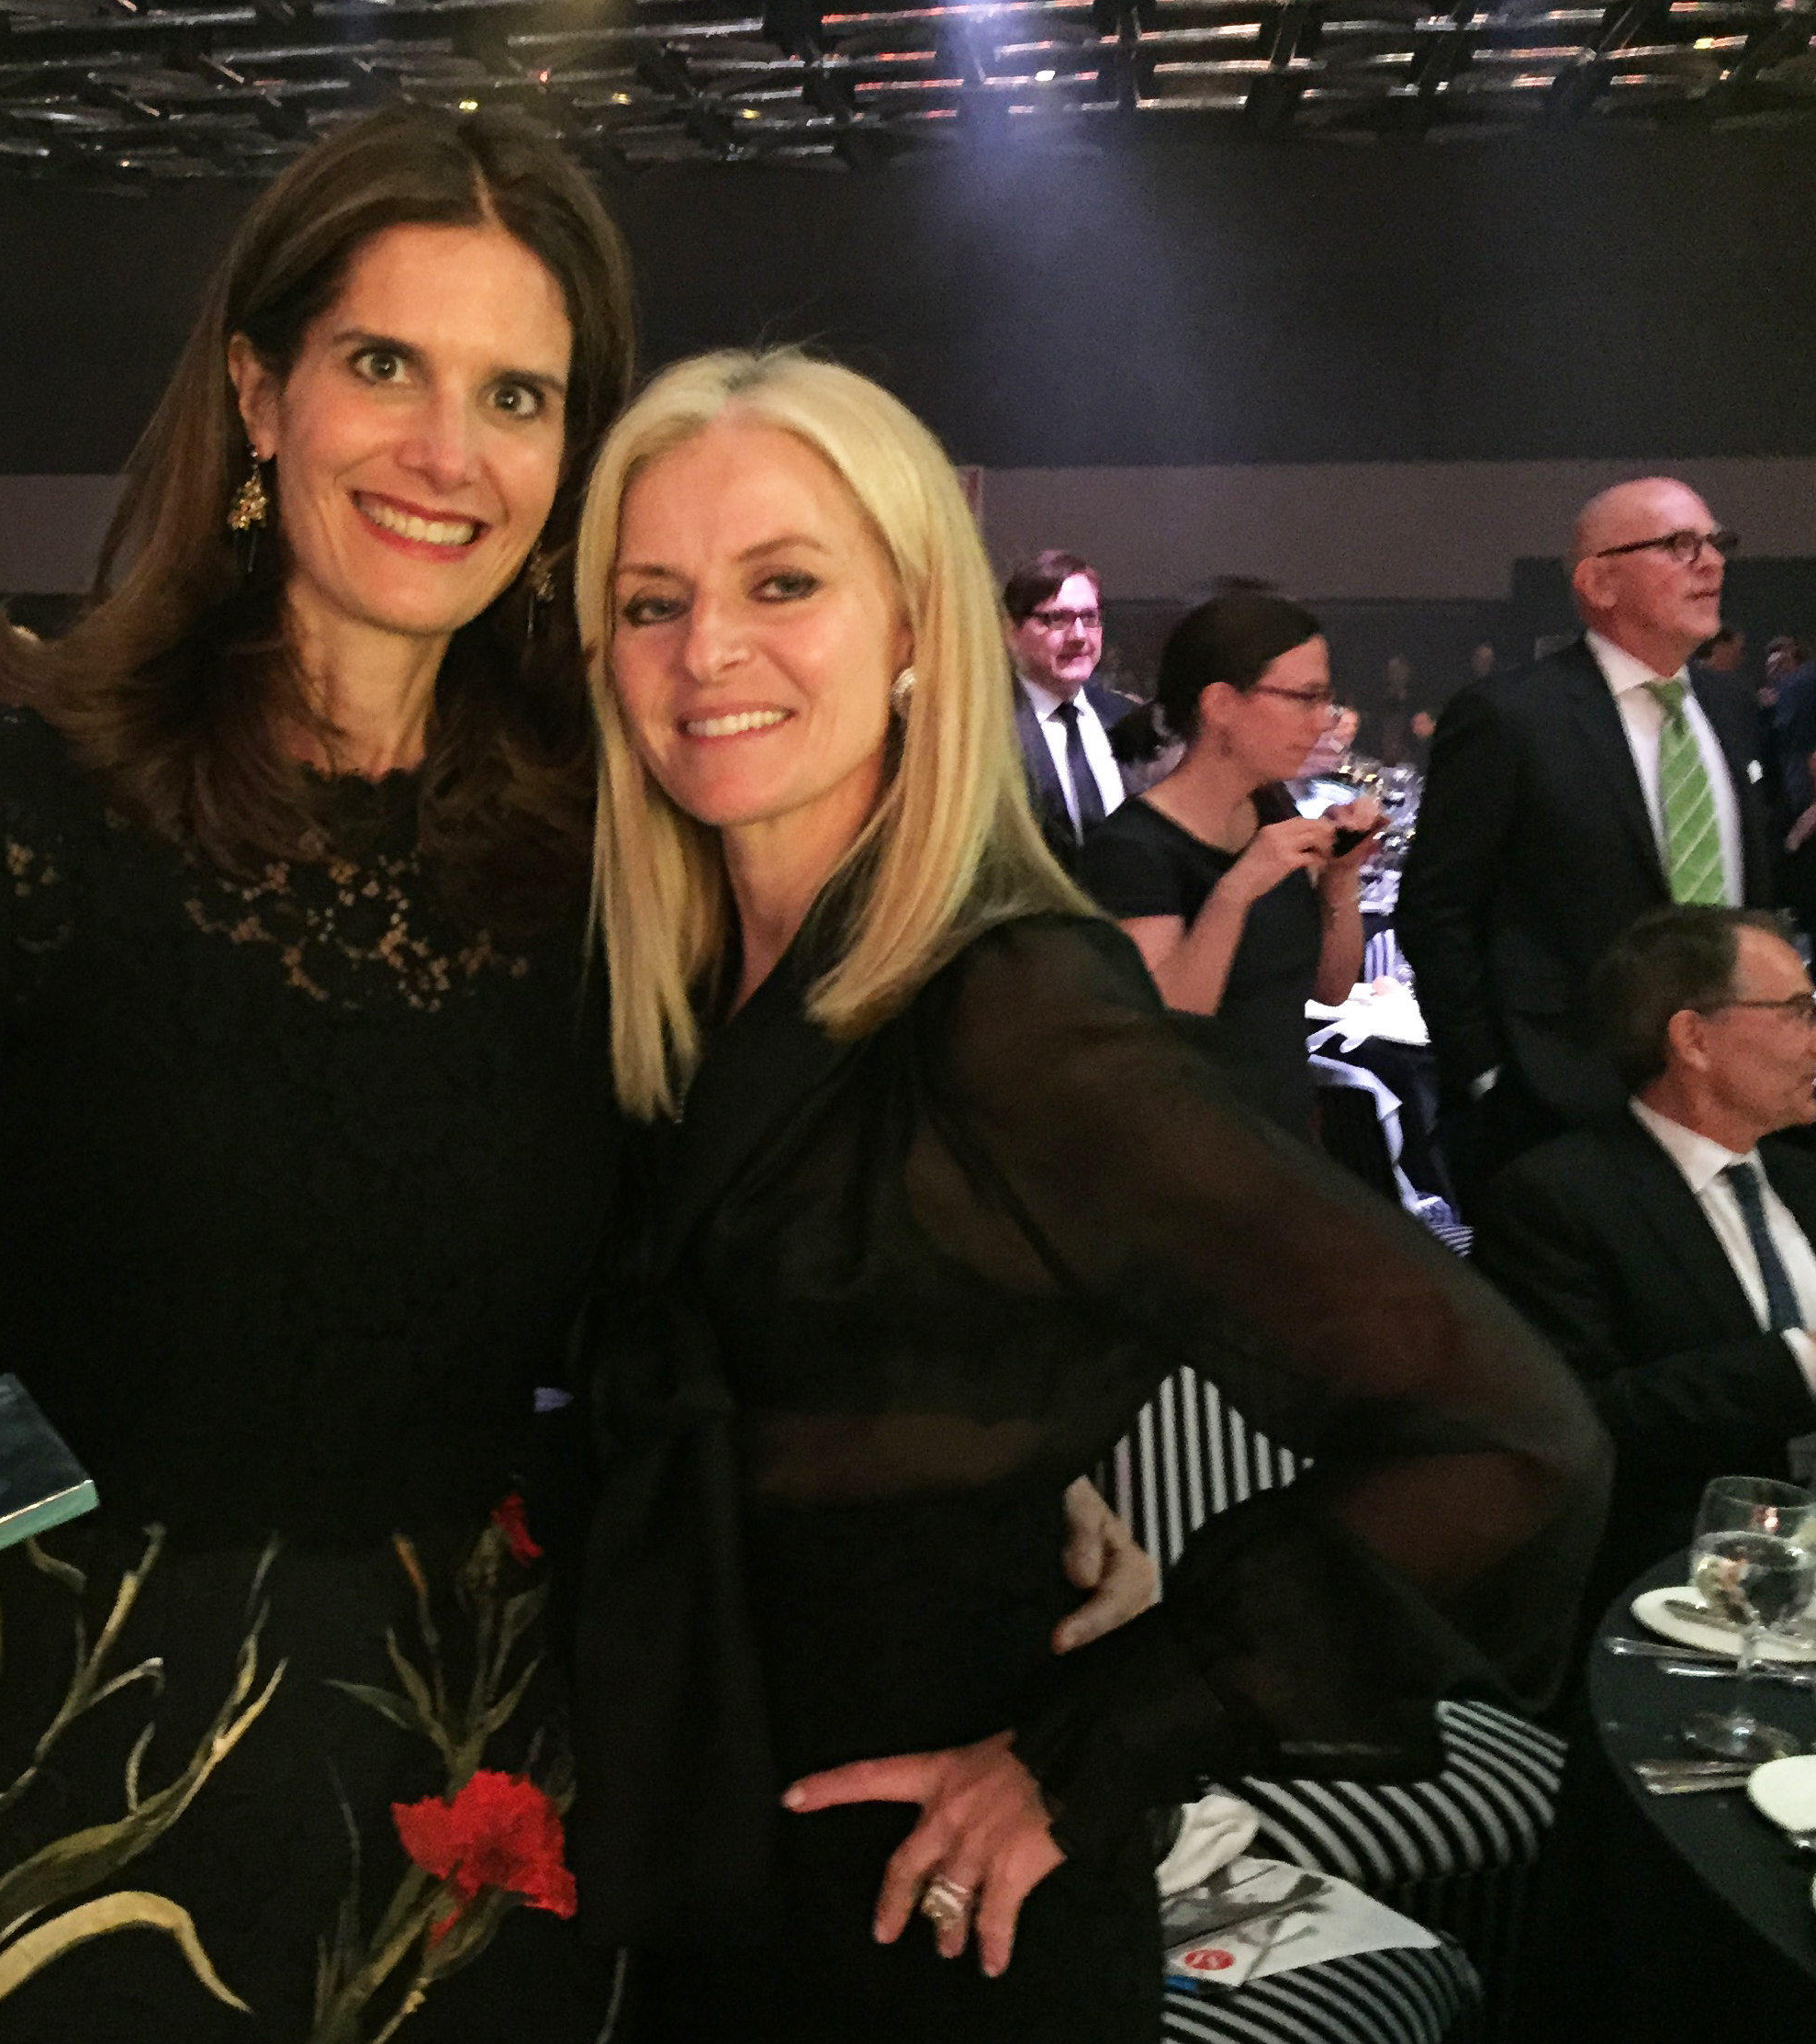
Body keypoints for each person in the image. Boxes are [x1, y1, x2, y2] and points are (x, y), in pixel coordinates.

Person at [0, 108, 1148, 2044]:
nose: (448, 452)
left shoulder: (615, 833)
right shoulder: (11, 813)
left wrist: (984, 1476)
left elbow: (734, 1261)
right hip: (85, 1768)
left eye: (516, 394)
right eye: (383, 365)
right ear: (259, 393)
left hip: (482, 1778)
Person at [565, 348, 1606, 2044]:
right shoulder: (668, 985)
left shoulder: (1008, 1001)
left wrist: (1104, 1737)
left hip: (927, 1894)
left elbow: (1509, 1437)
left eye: (783, 583)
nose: (706, 650)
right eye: (649, 601)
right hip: (693, 1841)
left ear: (917, 628)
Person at [1399, 477, 1773, 1199]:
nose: (1711, 563)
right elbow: (1435, 910)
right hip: (1565, 1098)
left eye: (1715, 542)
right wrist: (1484, 1073)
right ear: (1598, 582)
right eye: (1678, 545)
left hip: (1729, 1083)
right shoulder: (1509, 716)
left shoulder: (1729, 709)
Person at [1472, 906, 1816, 1628]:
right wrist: (1799, 1363)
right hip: (1675, 1590)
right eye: (1796, 1011)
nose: (1812, 1035)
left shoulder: (1799, 1180)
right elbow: (1581, 1425)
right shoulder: (1557, 1200)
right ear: (1692, 1038)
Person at [1080, 595, 1383, 1141]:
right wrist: (1236, 890)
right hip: (1195, 1149)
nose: (1323, 721)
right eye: (1303, 698)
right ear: (1220, 703)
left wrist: (1341, 874)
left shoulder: (1271, 810)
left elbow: (1331, 988)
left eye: (1325, 699)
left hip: (1283, 1136)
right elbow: (1169, 1030)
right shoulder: (1133, 848)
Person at [1000, 549, 1130, 873]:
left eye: (1090, 617)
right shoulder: (986, 730)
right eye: (1057, 618)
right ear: (1011, 630)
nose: (1079, 636)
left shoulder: (1125, 717)